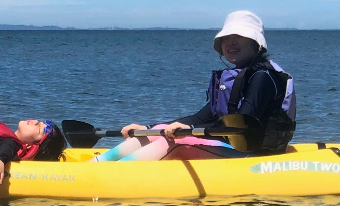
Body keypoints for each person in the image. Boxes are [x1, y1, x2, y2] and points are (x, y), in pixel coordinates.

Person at [95, 10, 295, 162]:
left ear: (255, 43)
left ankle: (108, 176)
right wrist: (149, 128)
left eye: (239, 37)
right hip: (229, 146)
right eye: (227, 38)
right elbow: (202, 118)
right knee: (164, 131)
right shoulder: (238, 76)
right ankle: (94, 166)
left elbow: (240, 126)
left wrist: (189, 130)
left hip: (256, 155)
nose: (231, 43)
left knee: (179, 142)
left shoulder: (263, 77)